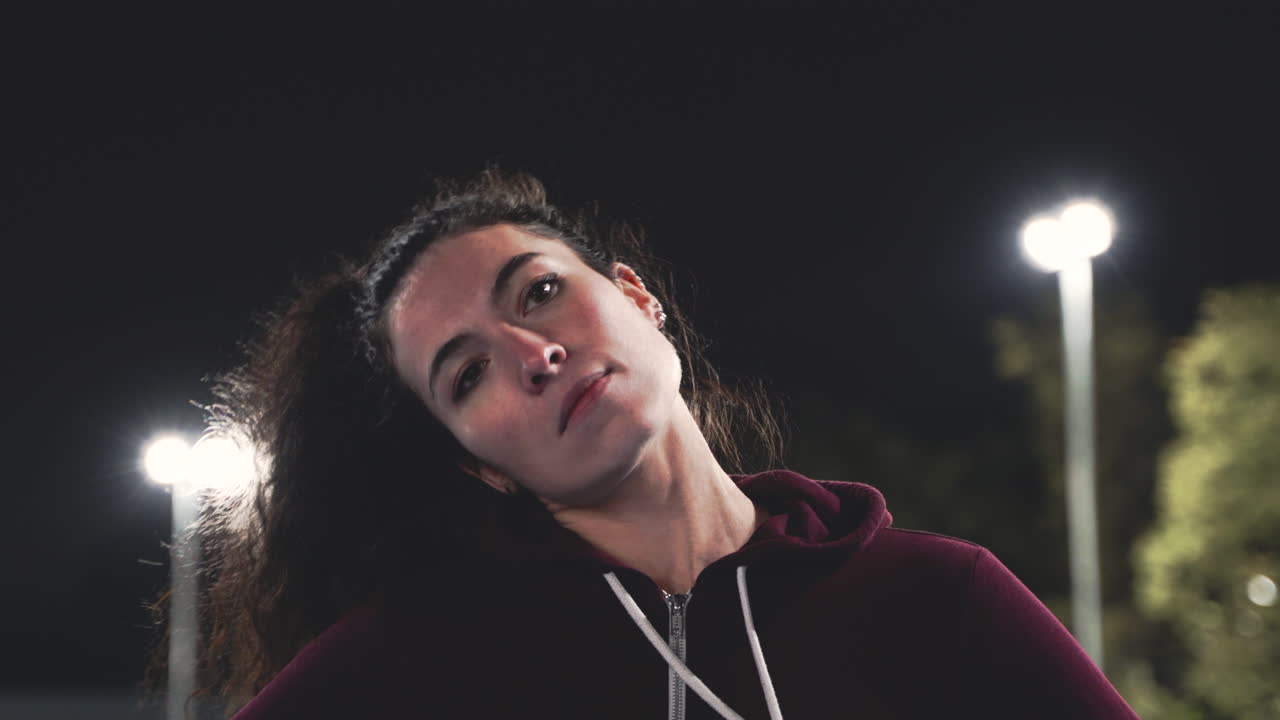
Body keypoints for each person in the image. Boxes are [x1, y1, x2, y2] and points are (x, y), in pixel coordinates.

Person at [181, 170, 1140, 718]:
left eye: (539, 291)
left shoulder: (936, 601)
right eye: (466, 375)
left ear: (637, 296)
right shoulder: (411, 664)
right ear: (475, 457)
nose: (534, 352)